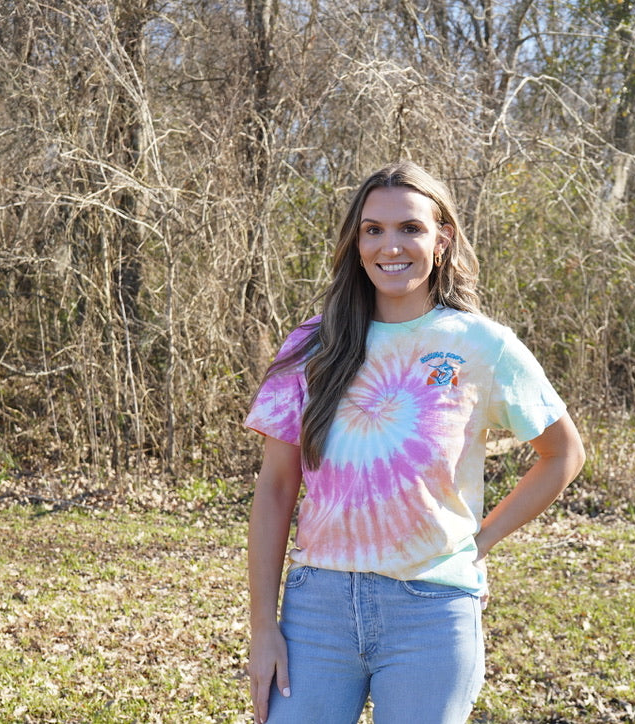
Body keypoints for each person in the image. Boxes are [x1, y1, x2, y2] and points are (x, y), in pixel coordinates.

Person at [244, 161, 585, 724]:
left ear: (442, 239)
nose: (390, 245)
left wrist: (480, 542)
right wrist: (263, 628)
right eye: (373, 229)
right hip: (316, 611)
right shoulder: (313, 342)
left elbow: (562, 454)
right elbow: (276, 490)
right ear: (356, 244)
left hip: (431, 613)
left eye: (410, 228)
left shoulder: (481, 344)